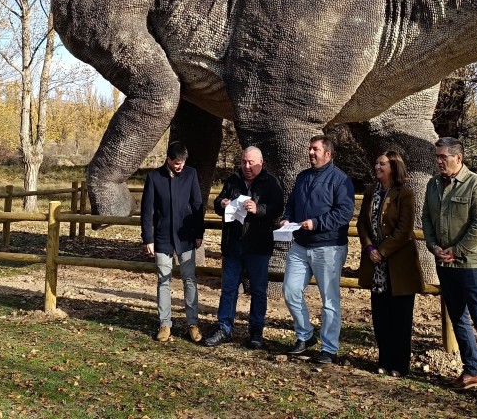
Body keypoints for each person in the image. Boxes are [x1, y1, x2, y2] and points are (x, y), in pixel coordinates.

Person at [421, 137, 477, 407]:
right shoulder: (433, 185)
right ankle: (471, 371)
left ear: (459, 158)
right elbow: (426, 218)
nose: (438, 161)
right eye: (437, 156)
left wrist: (457, 250)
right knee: (457, 317)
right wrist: (434, 246)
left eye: (443, 156)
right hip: (444, 263)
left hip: (470, 265)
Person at [280, 134, 356, 365]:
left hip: (328, 247)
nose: (311, 153)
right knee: (290, 290)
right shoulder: (302, 177)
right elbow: (292, 204)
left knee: (329, 300)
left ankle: (329, 348)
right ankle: (305, 335)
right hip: (300, 245)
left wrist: (317, 223)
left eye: (315, 149)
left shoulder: (341, 180)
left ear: (328, 154)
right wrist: (287, 219)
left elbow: (344, 212)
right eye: (310, 149)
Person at [204, 145, 284, 350]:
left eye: (251, 163)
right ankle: (224, 328)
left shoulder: (271, 183)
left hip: (258, 245)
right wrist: (221, 203)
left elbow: (278, 209)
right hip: (233, 245)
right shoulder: (233, 180)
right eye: (243, 162)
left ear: (261, 163)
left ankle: (256, 331)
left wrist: (259, 209)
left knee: (258, 290)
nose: (247, 166)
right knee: (229, 289)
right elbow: (216, 202)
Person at [357, 150, 424, 376]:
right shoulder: (370, 191)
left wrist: (382, 252)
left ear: (393, 167)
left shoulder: (405, 194)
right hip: (375, 267)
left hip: (399, 266)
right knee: (380, 316)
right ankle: (384, 361)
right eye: (376, 163)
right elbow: (362, 225)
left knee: (400, 318)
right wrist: (369, 249)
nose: (377, 167)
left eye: (382, 164)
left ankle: (400, 365)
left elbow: (404, 230)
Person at [141, 140, 204, 343]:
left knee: (189, 279)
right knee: (163, 281)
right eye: (177, 162)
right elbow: (147, 211)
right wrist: (148, 238)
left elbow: (197, 205)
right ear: (168, 159)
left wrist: (198, 232)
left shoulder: (191, 174)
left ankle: (193, 324)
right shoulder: (153, 177)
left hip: (185, 238)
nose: (181, 166)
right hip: (162, 238)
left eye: (183, 162)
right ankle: (165, 324)